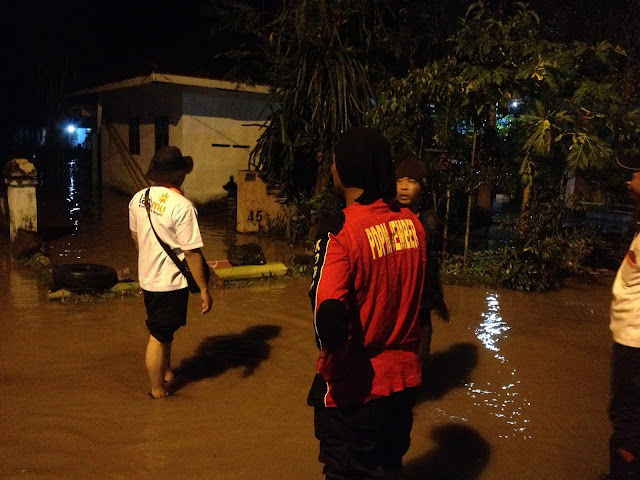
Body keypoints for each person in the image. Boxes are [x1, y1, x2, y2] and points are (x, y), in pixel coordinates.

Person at [308, 127, 427, 479]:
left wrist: (336, 365)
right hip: (404, 380)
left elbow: (328, 316)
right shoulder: (413, 225)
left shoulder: (340, 230)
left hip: (356, 387)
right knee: (389, 467)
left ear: (345, 167)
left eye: (334, 160)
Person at [129, 146, 213, 399]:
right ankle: (158, 390)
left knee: (165, 330)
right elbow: (191, 253)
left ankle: (165, 371)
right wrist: (205, 289)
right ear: (181, 175)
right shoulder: (182, 206)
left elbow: (136, 237)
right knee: (158, 335)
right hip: (170, 283)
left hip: (148, 279)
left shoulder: (139, 198)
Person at [395, 155, 449, 360]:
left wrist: (436, 297)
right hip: (395, 297)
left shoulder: (429, 219)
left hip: (419, 299)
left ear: (422, 186)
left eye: (411, 181)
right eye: (400, 181)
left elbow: (432, 262)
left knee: (420, 349)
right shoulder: (387, 214)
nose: (404, 187)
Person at [607, 156, 640, 479]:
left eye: (634, 174)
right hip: (628, 337)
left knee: (627, 418)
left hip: (635, 343)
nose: (628, 181)